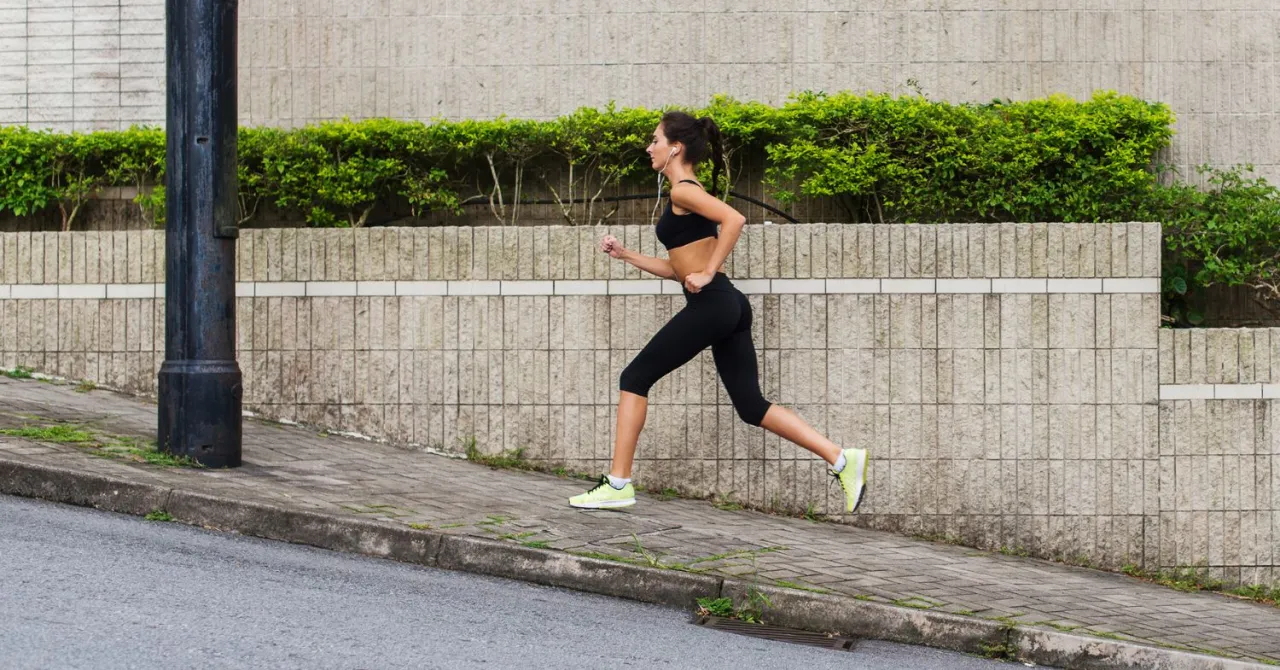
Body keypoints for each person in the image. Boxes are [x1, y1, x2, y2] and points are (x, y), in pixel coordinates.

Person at [568, 111, 868, 513]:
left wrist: (708, 272)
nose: (649, 147)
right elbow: (679, 270)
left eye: (655, 140)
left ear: (675, 147)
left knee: (634, 377)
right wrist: (626, 255)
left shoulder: (683, 192)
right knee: (751, 406)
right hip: (728, 305)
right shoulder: (688, 191)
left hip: (715, 303)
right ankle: (841, 458)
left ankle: (618, 483)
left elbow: (735, 218)